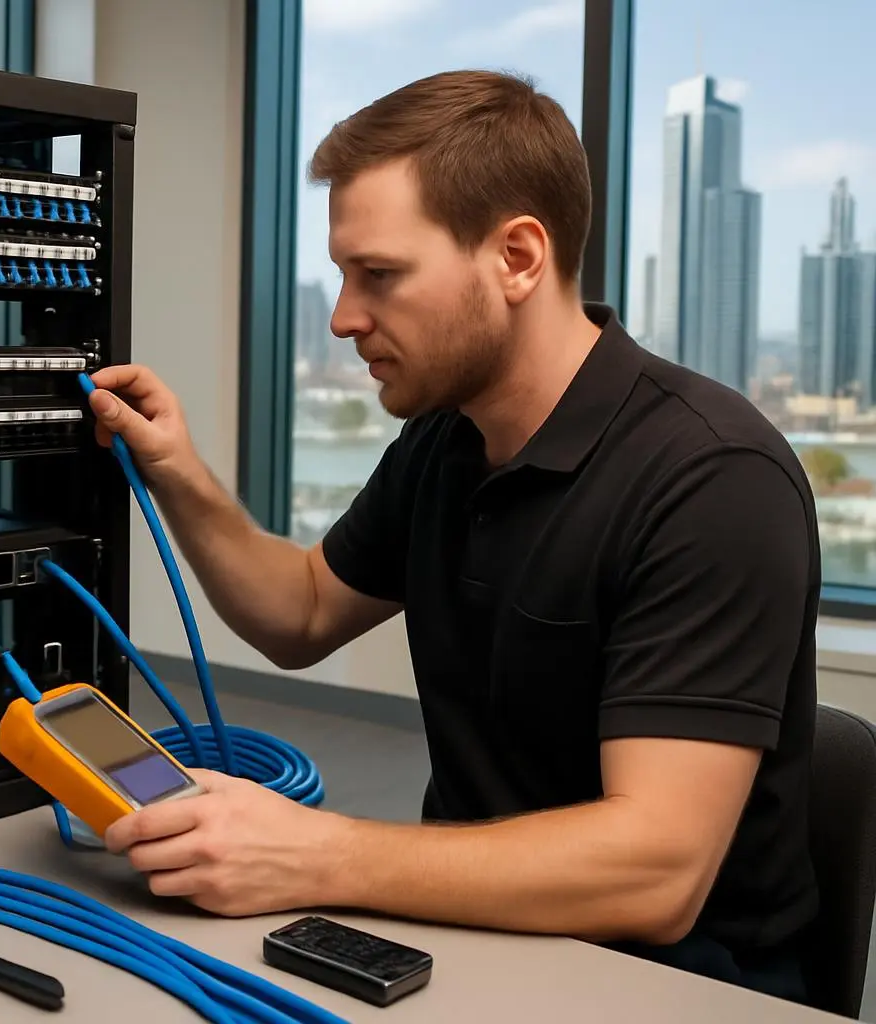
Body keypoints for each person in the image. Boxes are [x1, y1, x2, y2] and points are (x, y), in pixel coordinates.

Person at [86, 69, 820, 1003]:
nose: (344, 317)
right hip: (465, 940)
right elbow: (300, 612)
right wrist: (178, 469)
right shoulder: (447, 440)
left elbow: (657, 874)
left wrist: (317, 854)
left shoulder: (712, 478)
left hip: (676, 985)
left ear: (516, 257)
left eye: (378, 276)